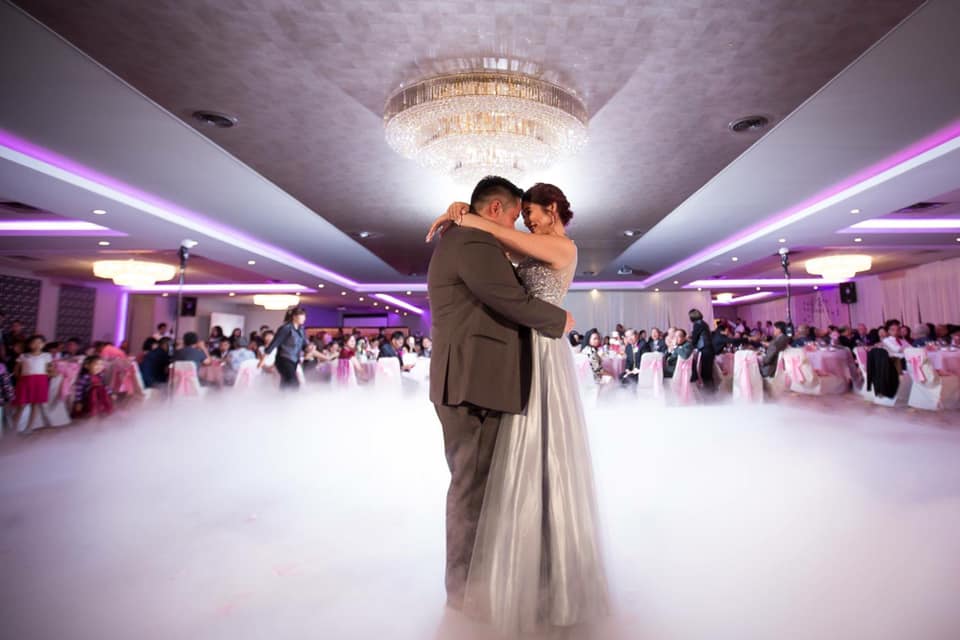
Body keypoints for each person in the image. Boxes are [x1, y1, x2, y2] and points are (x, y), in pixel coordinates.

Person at [427, 178, 605, 635]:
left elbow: (505, 255)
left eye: (530, 214)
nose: (522, 222)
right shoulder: (478, 239)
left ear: (551, 209)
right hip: (507, 360)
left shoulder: (562, 247)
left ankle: (534, 573)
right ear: (499, 208)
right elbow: (504, 289)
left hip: (539, 354)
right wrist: (466, 216)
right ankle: (474, 589)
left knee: (537, 464)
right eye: (516, 214)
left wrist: (464, 216)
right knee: (488, 479)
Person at [12, 334, 53, 434]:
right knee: (21, 405)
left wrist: (51, 372)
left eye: (40, 342)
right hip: (25, 381)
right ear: (29, 345)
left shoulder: (46, 356)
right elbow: (16, 370)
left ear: (43, 344)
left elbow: (50, 369)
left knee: (35, 404)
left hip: (40, 381)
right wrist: (20, 380)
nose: (37, 344)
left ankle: (29, 427)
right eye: (34, 342)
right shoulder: (23, 356)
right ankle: (13, 428)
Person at [263, 308, 308, 390]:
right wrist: (263, 359)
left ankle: (283, 400)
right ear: (294, 317)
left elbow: (304, 344)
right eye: (302, 316)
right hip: (283, 359)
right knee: (293, 382)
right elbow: (275, 343)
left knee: (286, 381)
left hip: (294, 360)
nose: (304, 319)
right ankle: (290, 400)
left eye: (304, 317)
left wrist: (309, 349)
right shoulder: (286, 328)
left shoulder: (301, 329)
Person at [689, 308, 714, 388]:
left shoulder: (697, 324)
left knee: (705, 372)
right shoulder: (704, 323)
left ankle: (709, 393)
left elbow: (695, 338)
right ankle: (711, 391)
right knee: (708, 371)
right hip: (709, 349)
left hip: (705, 349)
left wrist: (689, 340)